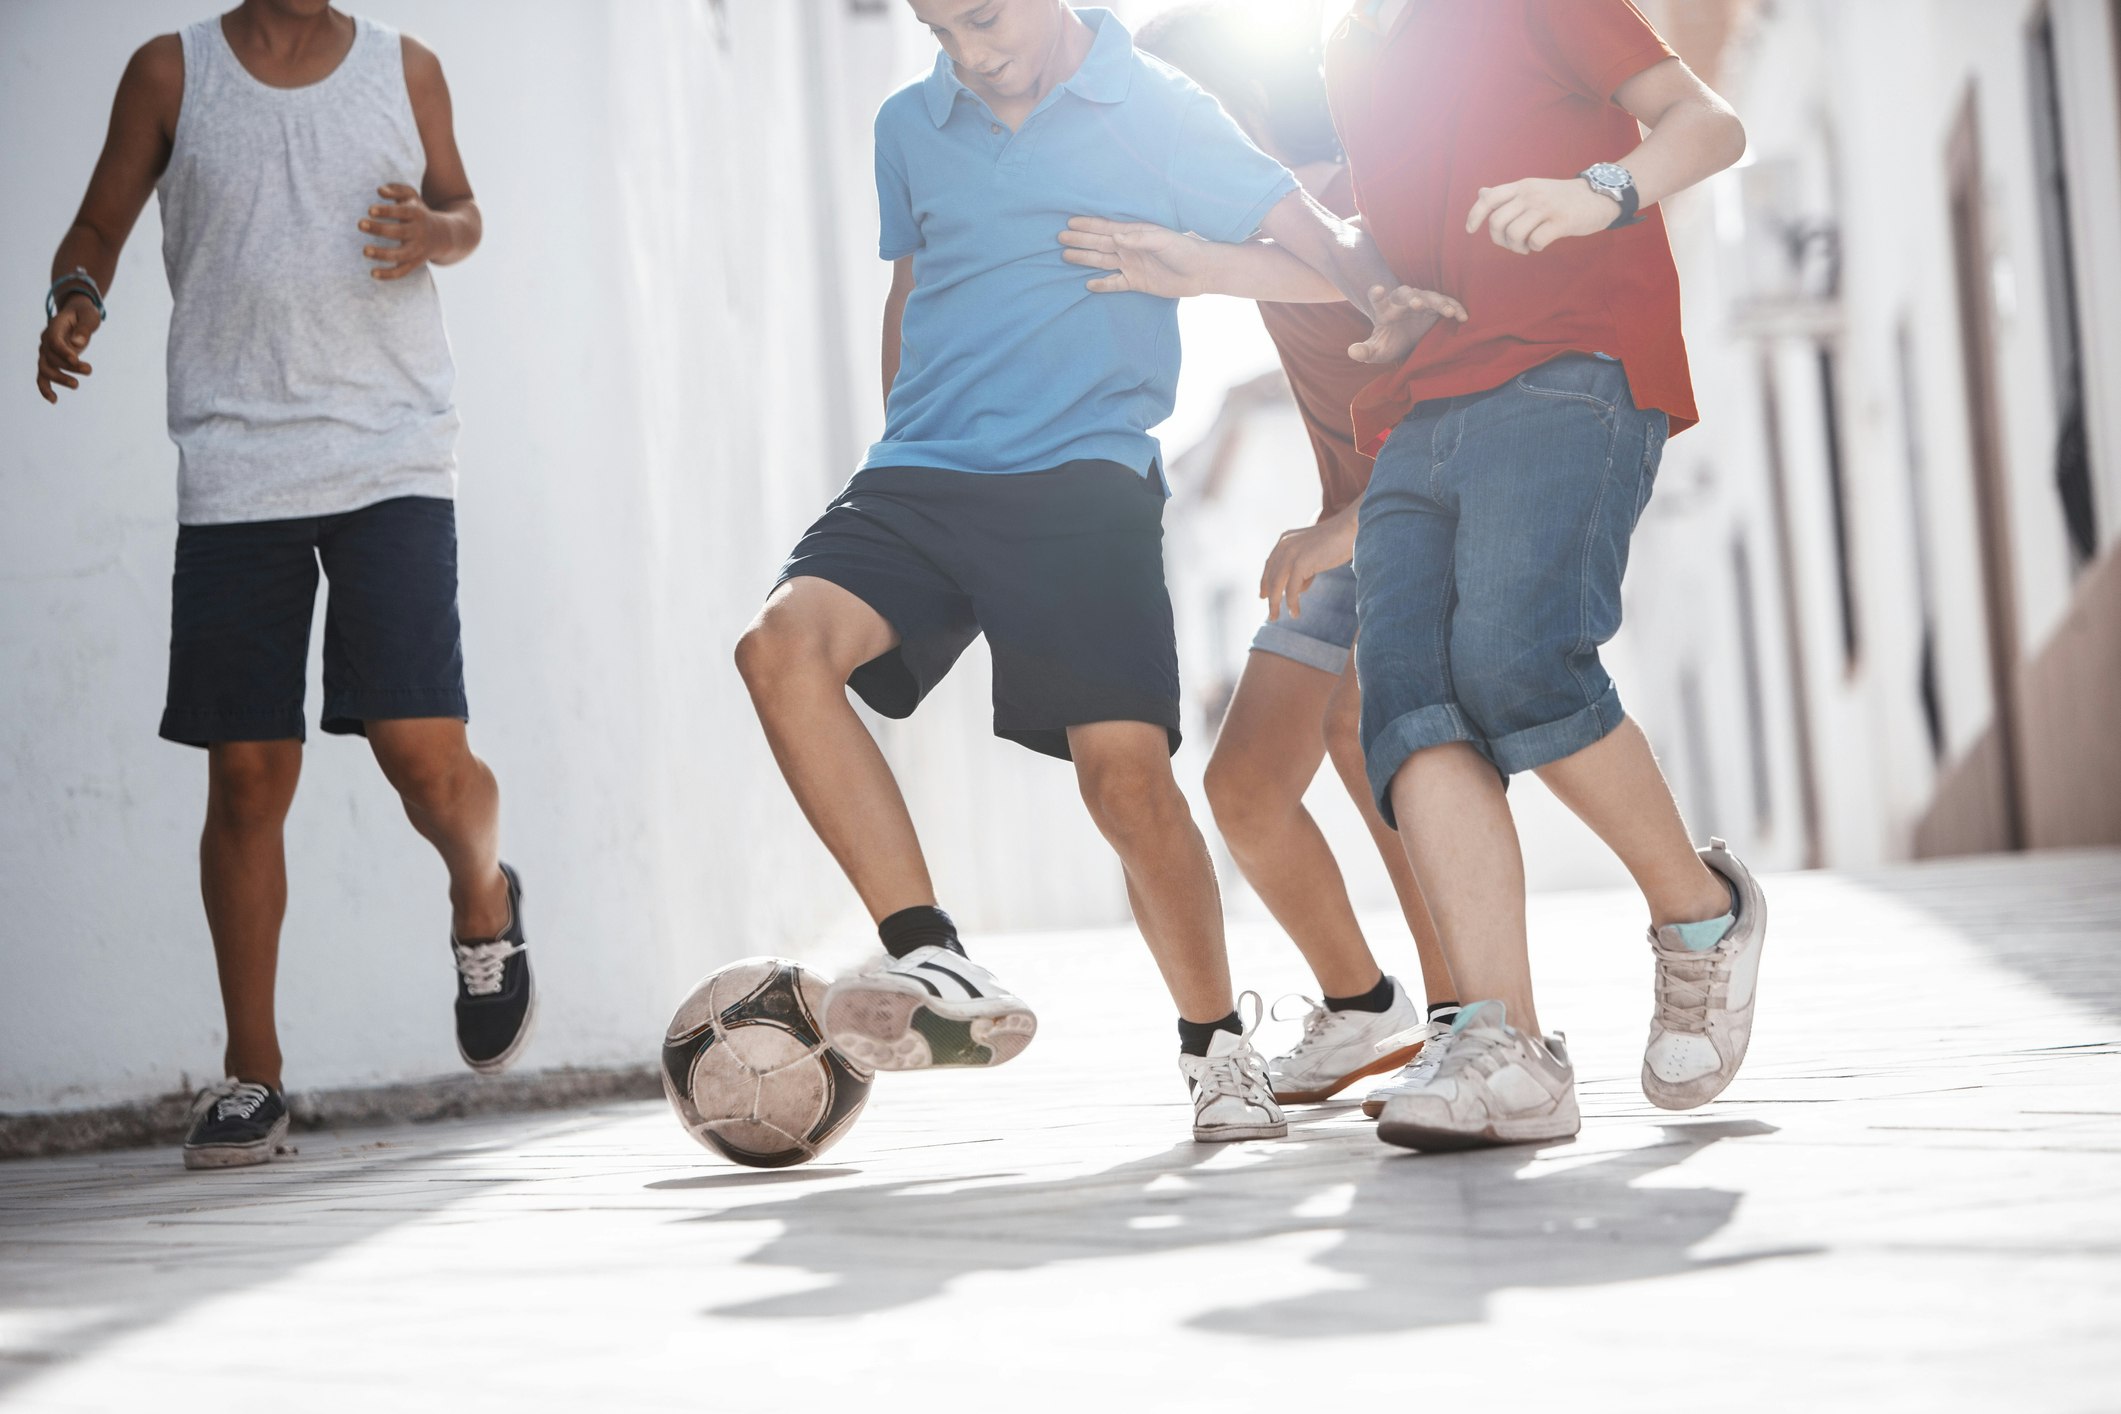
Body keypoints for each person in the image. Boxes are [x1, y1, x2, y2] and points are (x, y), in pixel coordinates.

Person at [733, 0, 1456, 1142]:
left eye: (981, 20)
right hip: (920, 475)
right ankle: (932, 957)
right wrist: (896, 440)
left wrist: (1382, 294)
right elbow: (912, 289)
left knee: (1124, 781)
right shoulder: (907, 125)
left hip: (1082, 478)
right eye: (938, 30)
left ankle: (1218, 1047)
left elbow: (1305, 223)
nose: (968, 55)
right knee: (777, 649)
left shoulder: (1159, 110)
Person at [1060, 0, 1762, 1152]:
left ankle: (1700, 920)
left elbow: (1706, 122)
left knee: (1517, 667)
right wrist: (1188, 264)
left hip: (1567, 367)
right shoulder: (1350, 54)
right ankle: (1501, 1046)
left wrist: (1602, 190)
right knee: (1408, 718)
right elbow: (1362, 257)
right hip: (1417, 414)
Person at [34, 0, 532, 1169]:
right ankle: (253, 1075)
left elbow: (466, 213)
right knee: (248, 775)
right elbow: (99, 224)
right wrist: (77, 298)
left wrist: (436, 233)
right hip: (236, 456)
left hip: (390, 451)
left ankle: (484, 894)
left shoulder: (407, 69)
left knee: (423, 752)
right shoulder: (170, 71)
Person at [1128, 4, 1460, 1110]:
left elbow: (1465, 392)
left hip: (1423, 519)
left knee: (1374, 739)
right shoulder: (1262, 229)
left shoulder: (1369, 206)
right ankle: (1365, 1006)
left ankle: (1477, 1023)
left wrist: (1350, 525)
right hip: (1348, 530)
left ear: (1237, 109)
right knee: (1245, 788)